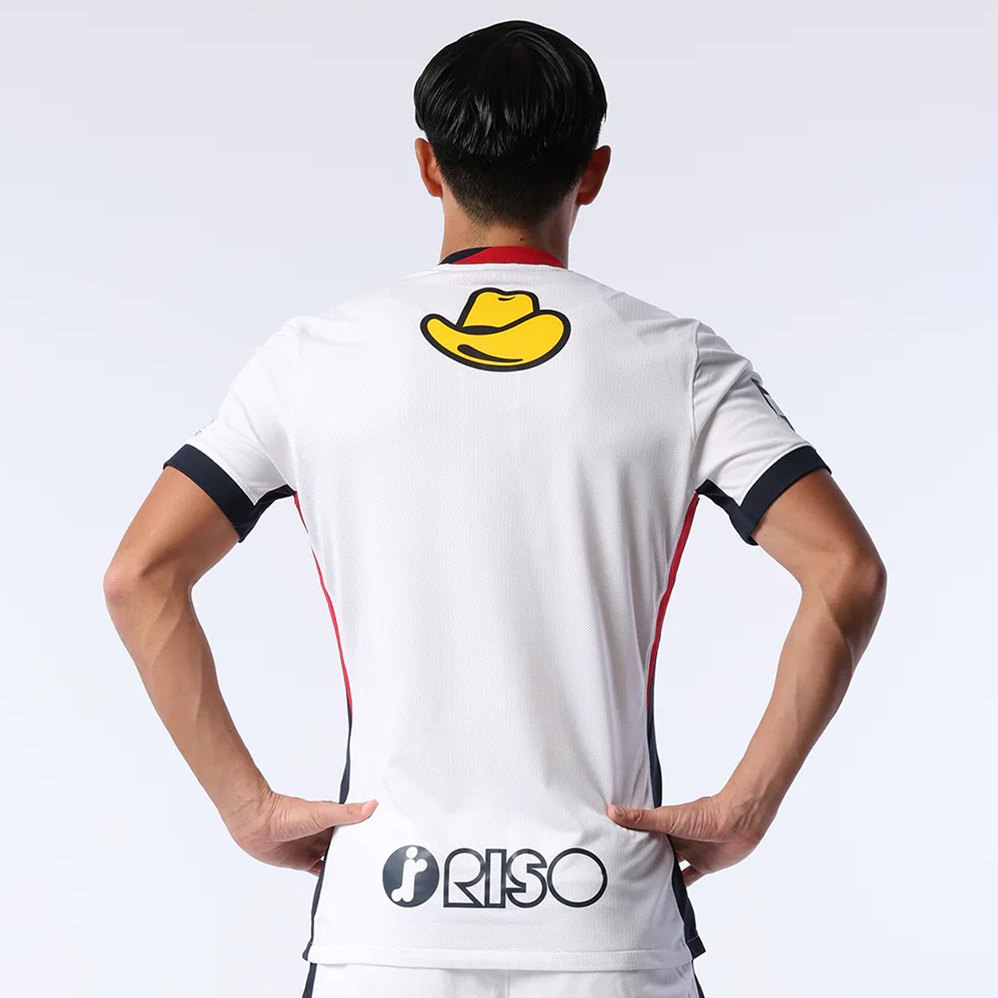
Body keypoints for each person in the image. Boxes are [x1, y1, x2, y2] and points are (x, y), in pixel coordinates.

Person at [103, 18, 887, 998]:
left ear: (427, 165)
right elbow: (845, 569)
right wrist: (747, 804)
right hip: (605, 919)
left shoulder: (312, 358)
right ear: (592, 173)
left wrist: (246, 806)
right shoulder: (680, 360)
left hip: (387, 924)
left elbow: (141, 574)